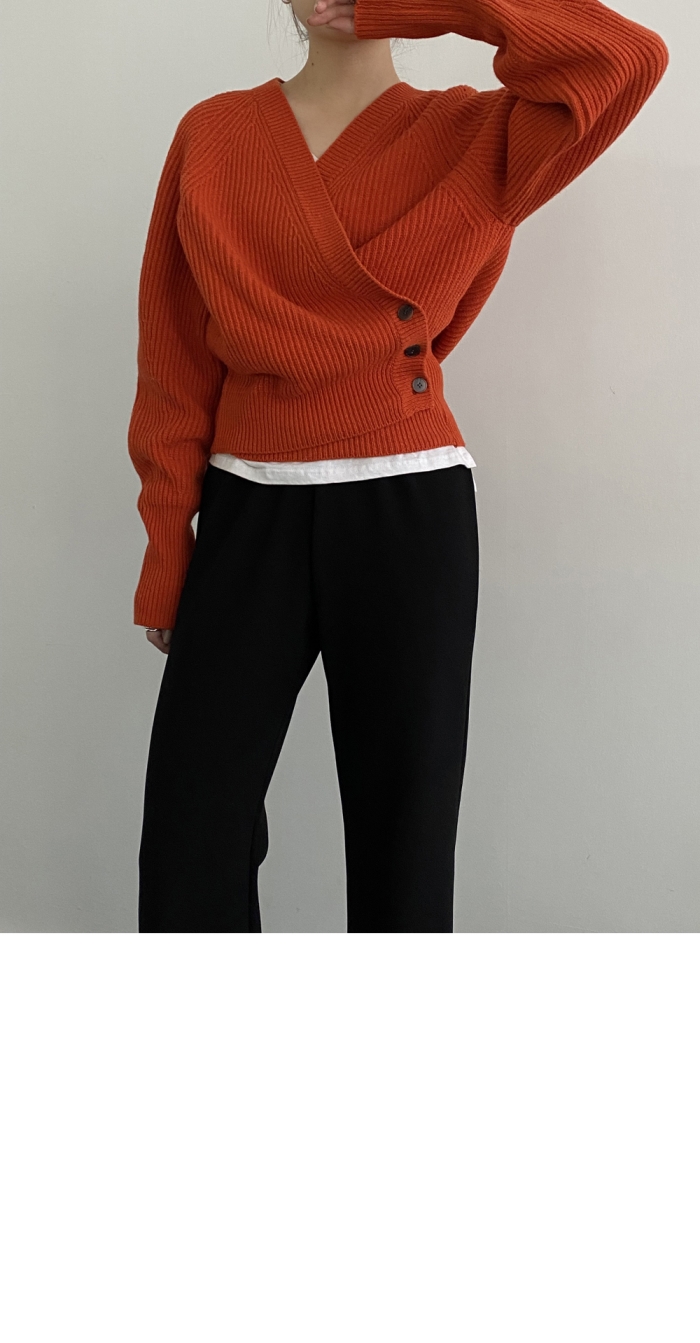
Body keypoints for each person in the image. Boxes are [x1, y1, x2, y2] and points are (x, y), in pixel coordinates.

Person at [130, 0, 668, 935]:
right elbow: (173, 361)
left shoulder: (477, 133)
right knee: (189, 838)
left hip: (410, 506)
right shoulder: (213, 135)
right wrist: (168, 551)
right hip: (248, 506)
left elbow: (626, 57)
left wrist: (434, 7)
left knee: (405, 847)